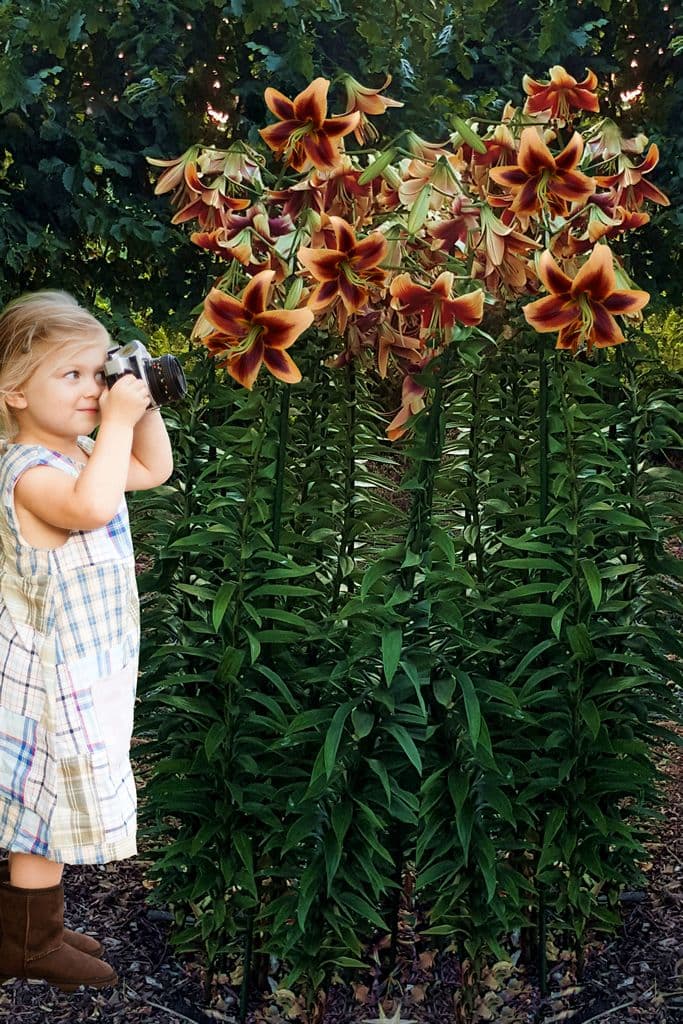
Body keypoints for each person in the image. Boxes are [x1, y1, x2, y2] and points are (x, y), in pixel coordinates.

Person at [0, 290, 174, 991]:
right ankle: (30, 945)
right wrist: (119, 420)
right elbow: (94, 506)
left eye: (97, 373)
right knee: (44, 807)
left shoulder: (76, 453)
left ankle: (29, 925)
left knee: (57, 799)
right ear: (14, 390)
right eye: (69, 375)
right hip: (45, 678)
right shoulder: (28, 471)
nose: (92, 390)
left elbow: (152, 471)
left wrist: (144, 403)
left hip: (84, 665)